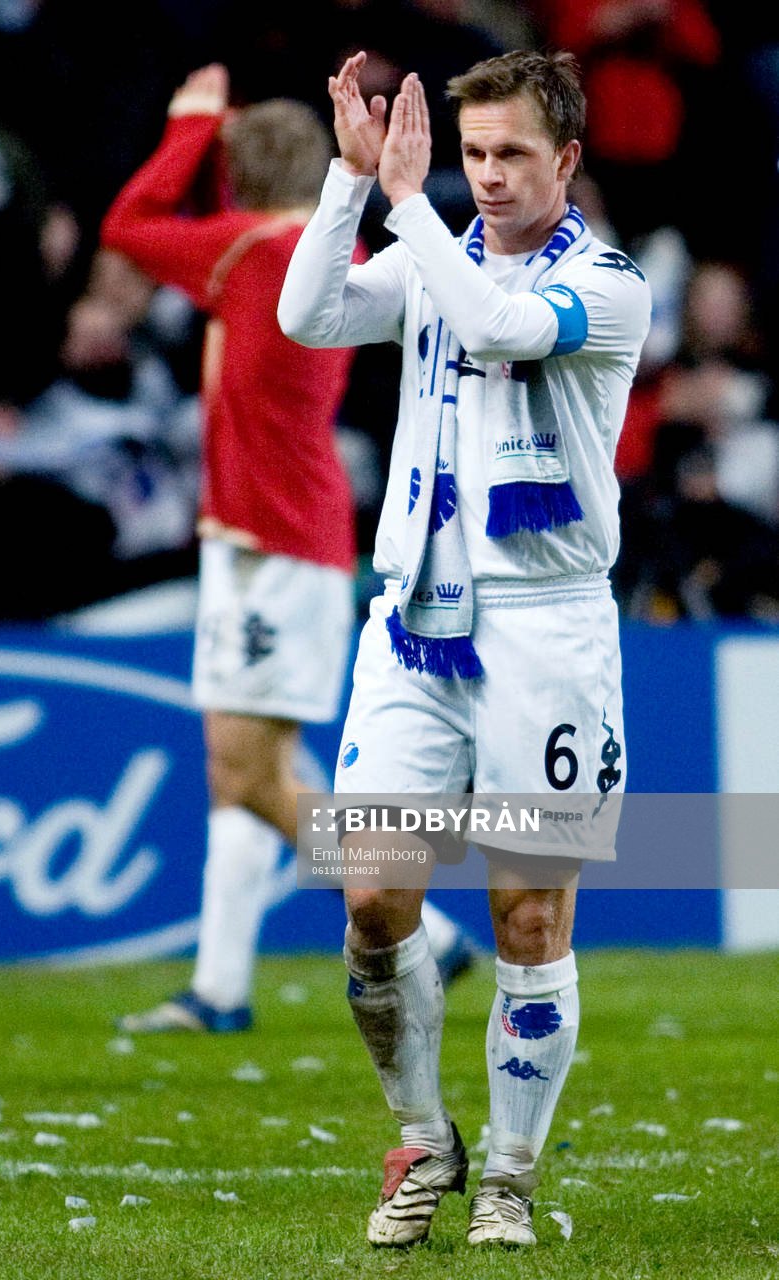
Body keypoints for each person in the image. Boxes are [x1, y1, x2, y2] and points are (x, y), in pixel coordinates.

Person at [278, 48, 651, 1248]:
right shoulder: (433, 256)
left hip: (547, 625)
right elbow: (310, 314)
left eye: (510, 156)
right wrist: (348, 185)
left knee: (527, 918)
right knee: (374, 889)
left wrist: (407, 203)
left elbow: (496, 319)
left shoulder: (607, 283)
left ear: (569, 161)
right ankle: (423, 1136)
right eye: (473, 153)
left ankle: (509, 1171)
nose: (485, 178)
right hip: (414, 618)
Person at [101, 64, 475, 1034]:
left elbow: (128, 227)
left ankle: (425, 923)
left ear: (233, 176)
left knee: (246, 771)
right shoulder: (305, 244)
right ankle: (220, 985)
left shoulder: (251, 246)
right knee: (254, 765)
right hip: (273, 533)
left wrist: (187, 127)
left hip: (270, 542)